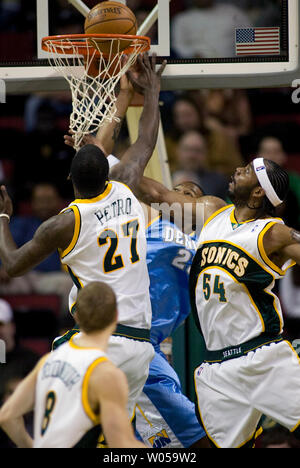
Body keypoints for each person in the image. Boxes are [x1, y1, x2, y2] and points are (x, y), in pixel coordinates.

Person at [0, 53, 166, 421]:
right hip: (141, 345)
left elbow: (12, 265)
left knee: (64, 426)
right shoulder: (124, 187)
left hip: (102, 343)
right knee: (115, 435)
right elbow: (146, 140)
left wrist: (3, 217)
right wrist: (151, 92)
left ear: (71, 182)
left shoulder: (64, 223)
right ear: (106, 175)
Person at [186, 158, 300, 448]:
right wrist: (103, 157)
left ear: (258, 192)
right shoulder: (212, 212)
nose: (237, 169)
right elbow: (158, 195)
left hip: (262, 356)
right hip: (217, 365)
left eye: (248, 170)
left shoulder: (272, 232)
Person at [0, 282, 146, 448]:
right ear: (116, 316)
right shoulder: (105, 373)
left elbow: (7, 416)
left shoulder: (48, 360)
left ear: (77, 317)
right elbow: (121, 444)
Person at [0, 183, 73, 314]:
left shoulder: (66, 224)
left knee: (69, 284)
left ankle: (62, 326)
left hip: (49, 277)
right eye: (40, 201)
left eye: (48, 200)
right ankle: (9, 322)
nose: (44, 205)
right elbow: (6, 250)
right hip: (21, 276)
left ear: (58, 201)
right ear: (32, 203)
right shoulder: (21, 223)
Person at [171, 0, 252, 59]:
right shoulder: (182, 19)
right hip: (198, 69)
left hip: (233, 65)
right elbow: (178, 45)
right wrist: (192, 55)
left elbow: (248, 39)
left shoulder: (232, 12)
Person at [172, 130, 228, 199]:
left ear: (206, 154)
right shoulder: (166, 175)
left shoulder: (218, 181)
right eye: (187, 149)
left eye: (197, 150)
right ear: (177, 151)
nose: (192, 155)